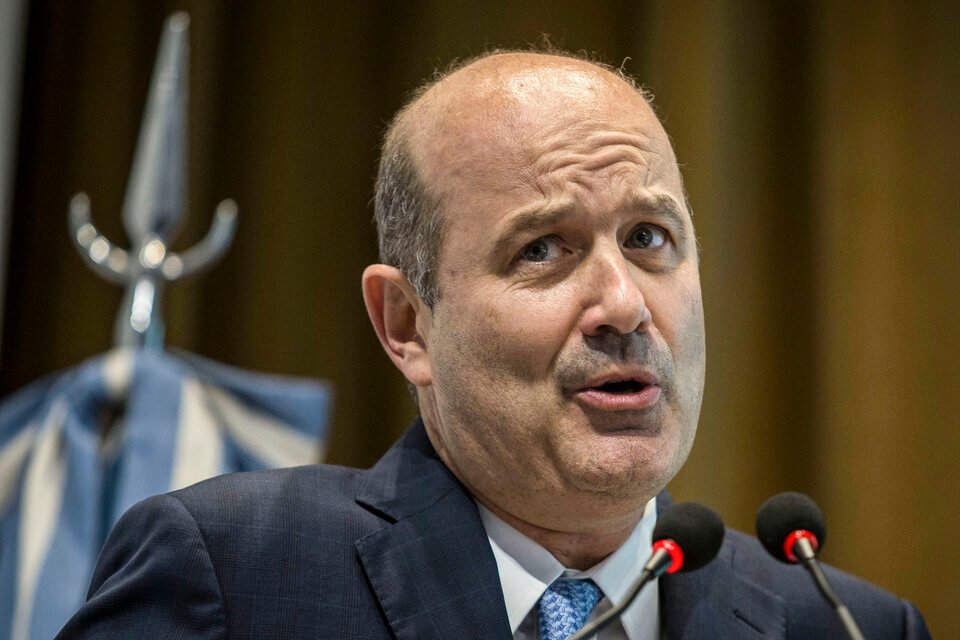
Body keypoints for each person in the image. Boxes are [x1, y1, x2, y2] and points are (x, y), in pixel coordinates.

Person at [57, 50, 930, 639]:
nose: (624, 304)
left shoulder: (844, 624)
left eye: (649, 238)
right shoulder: (234, 574)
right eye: (542, 250)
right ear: (407, 324)